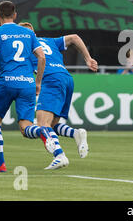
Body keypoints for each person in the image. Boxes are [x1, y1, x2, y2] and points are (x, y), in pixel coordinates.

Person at [0, 1, 60, 172]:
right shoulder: (28, 33)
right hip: (28, 84)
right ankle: (41, 132)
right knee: (26, 127)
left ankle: (1, 164)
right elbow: (42, 57)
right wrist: (38, 82)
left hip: (7, 82)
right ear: (15, 15)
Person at [19, 22, 98, 167]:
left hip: (51, 79)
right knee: (52, 125)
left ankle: (60, 156)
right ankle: (76, 133)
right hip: (66, 79)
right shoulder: (49, 41)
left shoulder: (25, 47)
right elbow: (74, 37)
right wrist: (88, 58)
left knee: (42, 124)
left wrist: (36, 83)